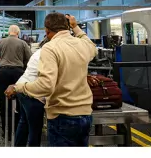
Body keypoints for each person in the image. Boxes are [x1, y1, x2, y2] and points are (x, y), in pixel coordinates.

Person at [5, 13, 97, 147]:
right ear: (67, 27)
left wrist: (17, 87)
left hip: (63, 115)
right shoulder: (82, 44)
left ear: (47, 31)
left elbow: (46, 85)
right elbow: (91, 47)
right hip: (85, 115)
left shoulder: (50, 48)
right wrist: (75, 27)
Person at [0, 25, 32, 140]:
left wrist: (2, 60)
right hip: (18, 73)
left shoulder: (1, 42)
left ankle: (6, 132)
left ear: (9, 32)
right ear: (18, 32)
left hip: (3, 72)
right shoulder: (23, 43)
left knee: (4, 101)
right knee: (19, 101)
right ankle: (17, 130)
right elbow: (30, 59)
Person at [14, 37, 49, 147]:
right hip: (32, 93)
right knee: (35, 128)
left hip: (22, 86)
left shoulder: (39, 51)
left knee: (24, 122)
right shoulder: (47, 54)